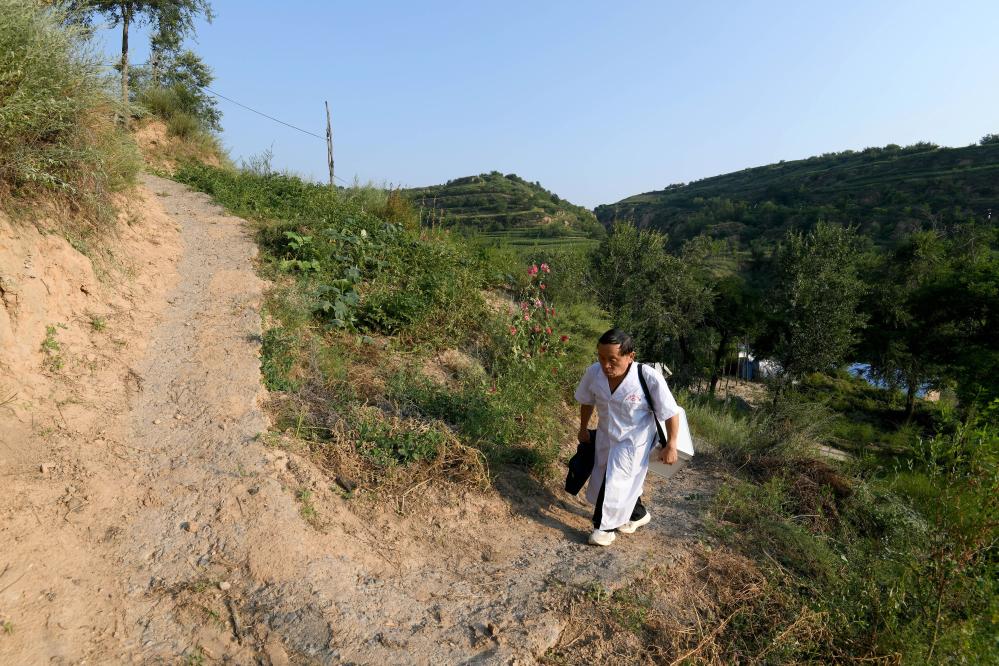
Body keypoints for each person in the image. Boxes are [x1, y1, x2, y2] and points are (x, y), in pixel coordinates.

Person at [574, 328, 680, 546]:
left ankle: (603, 529)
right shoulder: (594, 373)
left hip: (634, 442)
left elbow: (670, 412)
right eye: (601, 358)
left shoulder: (647, 377)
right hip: (606, 436)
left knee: (615, 482)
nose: (606, 365)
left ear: (630, 356)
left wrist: (672, 444)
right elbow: (587, 401)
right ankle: (637, 514)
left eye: (612, 359)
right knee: (609, 477)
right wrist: (583, 428)